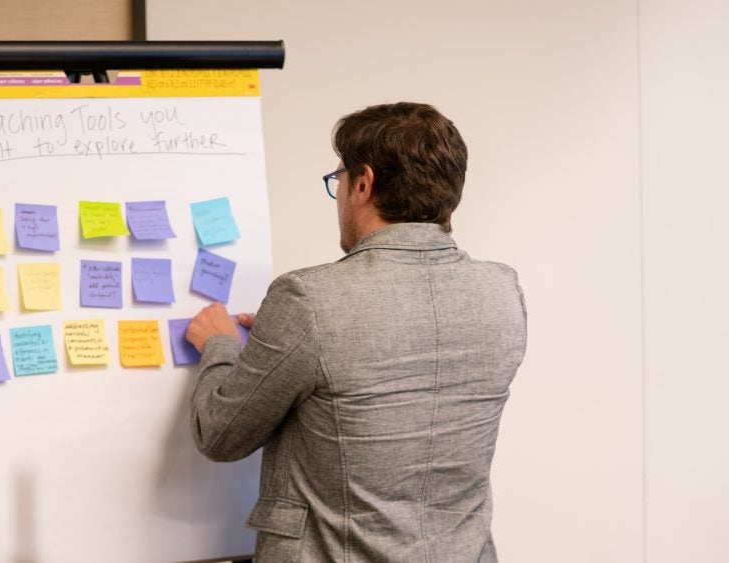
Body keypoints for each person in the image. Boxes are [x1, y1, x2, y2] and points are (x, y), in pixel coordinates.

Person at [186, 102, 527, 562]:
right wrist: (282, 338)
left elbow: (220, 435)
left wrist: (219, 343)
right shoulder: (502, 290)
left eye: (340, 179)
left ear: (363, 183)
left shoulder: (307, 299)